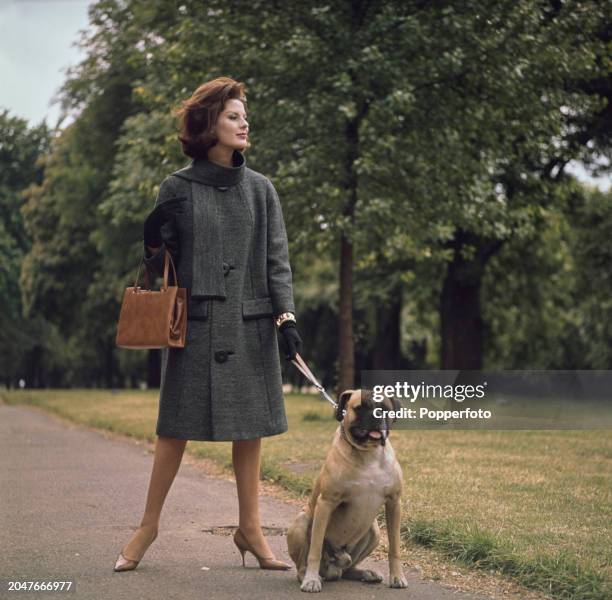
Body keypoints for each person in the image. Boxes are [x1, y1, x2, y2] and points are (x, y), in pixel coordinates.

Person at [114, 76, 302, 573]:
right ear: (209, 124)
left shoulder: (262, 190)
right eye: (233, 116)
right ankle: (147, 527)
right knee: (173, 430)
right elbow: (161, 268)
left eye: (245, 117)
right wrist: (153, 244)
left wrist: (286, 319)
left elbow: (276, 262)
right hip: (193, 327)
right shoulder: (176, 186)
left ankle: (252, 529)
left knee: (250, 431)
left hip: (250, 324)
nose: (244, 124)